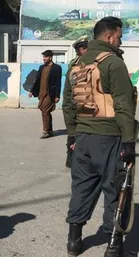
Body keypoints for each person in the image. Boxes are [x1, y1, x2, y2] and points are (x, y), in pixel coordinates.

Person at [62, 17, 138, 257]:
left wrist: (73, 135)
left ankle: (74, 241)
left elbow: (68, 105)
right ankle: (113, 250)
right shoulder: (113, 63)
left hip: (83, 138)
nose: (121, 40)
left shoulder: (76, 65)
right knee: (116, 189)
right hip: (110, 137)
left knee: (82, 187)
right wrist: (129, 141)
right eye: (119, 36)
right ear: (108, 37)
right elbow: (124, 105)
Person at [63, 35, 89, 168]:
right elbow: (69, 98)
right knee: (74, 138)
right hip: (77, 112)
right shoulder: (75, 67)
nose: (85, 51)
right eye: (82, 49)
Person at [29, 50, 62, 139]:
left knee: (45, 111)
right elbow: (37, 80)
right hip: (41, 93)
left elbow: (58, 82)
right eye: (43, 57)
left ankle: (46, 131)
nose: (44, 59)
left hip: (50, 93)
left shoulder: (57, 68)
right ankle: (50, 130)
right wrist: (32, 91)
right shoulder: (41, 67)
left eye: (46, 57)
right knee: (43, 109)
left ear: (50, 57)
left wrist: (57, 95)